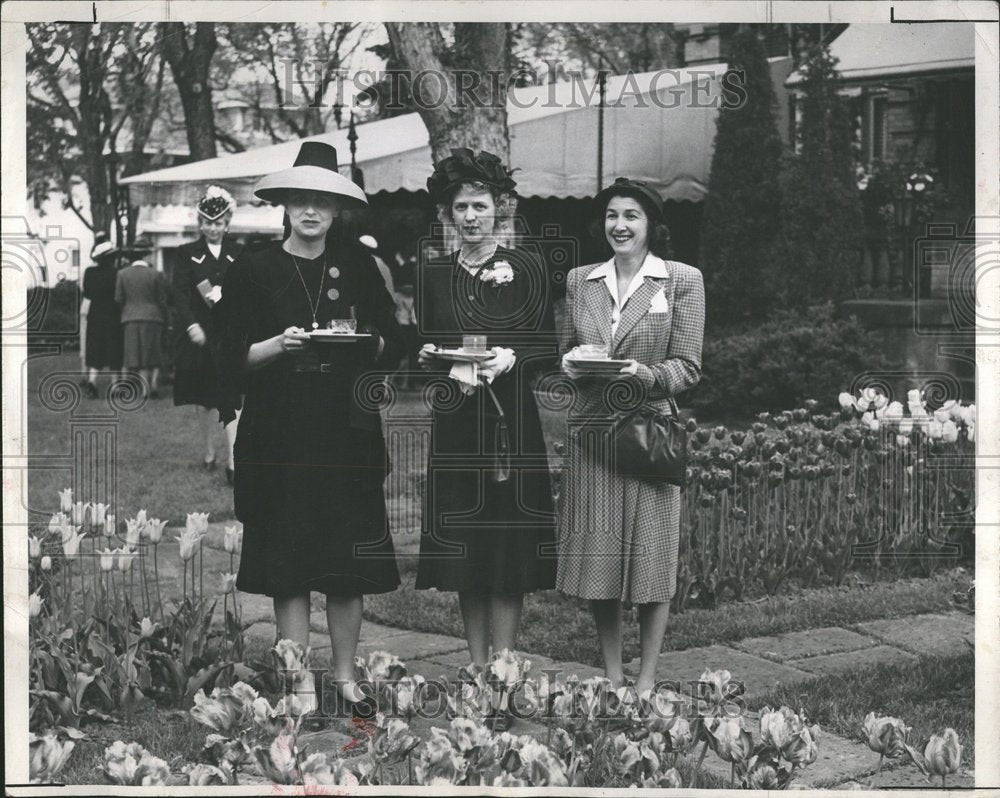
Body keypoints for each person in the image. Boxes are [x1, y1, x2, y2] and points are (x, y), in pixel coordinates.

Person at [218, 141, 402, 717]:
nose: (311, 211)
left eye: (322, 201)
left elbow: (393, 339)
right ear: (285, 206)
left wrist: (367, 343)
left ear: (337, 208)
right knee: (289, 561)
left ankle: (347, 677)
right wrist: (279, 344)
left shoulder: (359, 267)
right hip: (279, 430)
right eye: (300, 200)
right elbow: (225, 358)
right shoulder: (254, 268)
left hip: (346, 429)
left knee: (347, 560)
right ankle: (298, 682)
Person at [415, 149, 558, 726]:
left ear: (499, 209)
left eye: (480, 205)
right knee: (466, 553)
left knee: (506, 553)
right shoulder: (433, 273)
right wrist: (432, 359)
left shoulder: (524, 268)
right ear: (448, 214)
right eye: (460, 207)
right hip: (456, 426)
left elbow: (546, 348)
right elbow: (423, 345)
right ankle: (476, 676)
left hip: (509, 427)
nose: (471, 216)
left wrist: (511, 357)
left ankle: (505, 673)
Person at [557, 177, 704, 699]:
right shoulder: (582, 280)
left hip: (649, 434)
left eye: (632, 216)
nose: (620, 225)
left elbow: (688, 368)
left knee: (652, 555)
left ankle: (646, 678)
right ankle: (613, 673)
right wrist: (572, 367)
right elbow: (570, 349)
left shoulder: (680, 280)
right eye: (612, 215)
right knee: (601, 556)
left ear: (651, 226)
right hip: (595, 432)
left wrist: (643, 373)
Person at [172, 187, 243, 483]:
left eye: (218, 223)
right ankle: (209, 451)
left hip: (229, 336)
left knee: (234, 396)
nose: (213, 228)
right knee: (205, 401)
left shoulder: (239, 253)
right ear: (200, 223)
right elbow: (179, 295)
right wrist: (191, 326)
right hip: (200, 336)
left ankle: (233, 461)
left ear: (227, 223)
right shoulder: (186, 253)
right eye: (207, 222)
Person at [115, 236, 170, 399]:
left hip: (130, 317)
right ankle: (150, 386)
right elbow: (162, 299)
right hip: (153, 317)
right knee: (151, 353)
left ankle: (132, 387)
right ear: (147, 255)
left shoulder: (122, 274)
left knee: (132, 354)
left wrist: (127, 309)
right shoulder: (156, 274)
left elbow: (118, 298)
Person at [80, 234, 123, 398]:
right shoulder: (117, 273)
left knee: (95, 348)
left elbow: (88, 294)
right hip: (113, 314)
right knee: (114, 349)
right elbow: (119, 296)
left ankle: (92, 381)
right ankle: (115, 385)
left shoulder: (89, 272)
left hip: (95, 314)